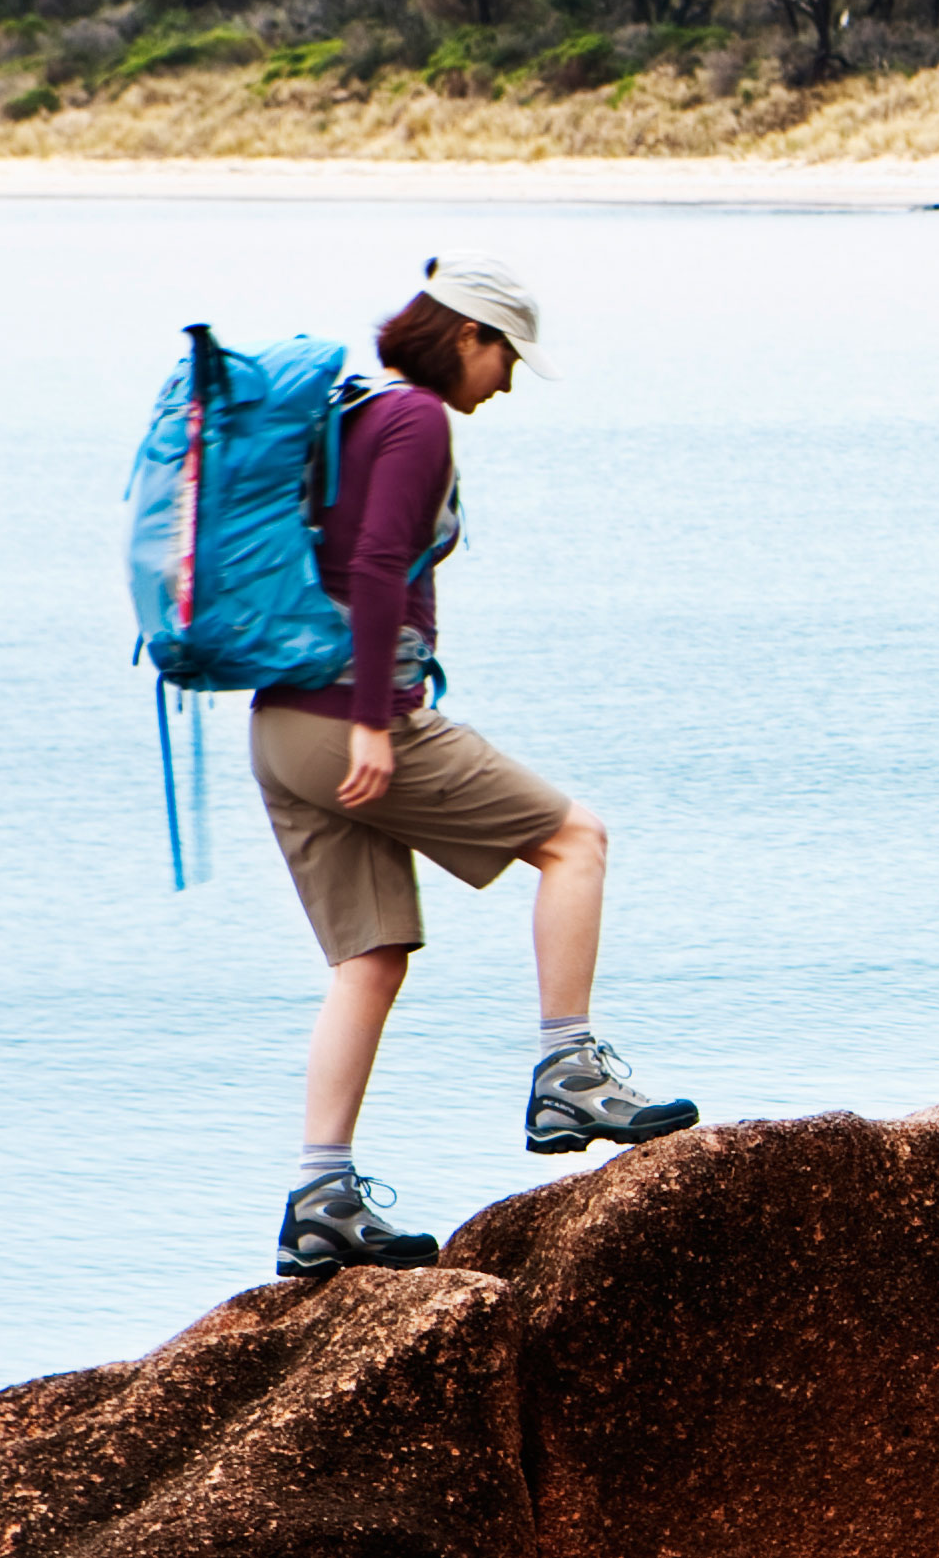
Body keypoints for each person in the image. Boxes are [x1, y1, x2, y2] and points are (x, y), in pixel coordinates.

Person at [254, 252, 696, 1277]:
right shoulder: (414, 419)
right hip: (351, 718)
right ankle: (569, 1072)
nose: (502, 384)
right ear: (468, 337)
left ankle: (321, 1196)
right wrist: (372, 719)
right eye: (504, 358)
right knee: (575, 839)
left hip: (280, 726)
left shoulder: (353, 415)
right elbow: (370, 565)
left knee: (370, 957)